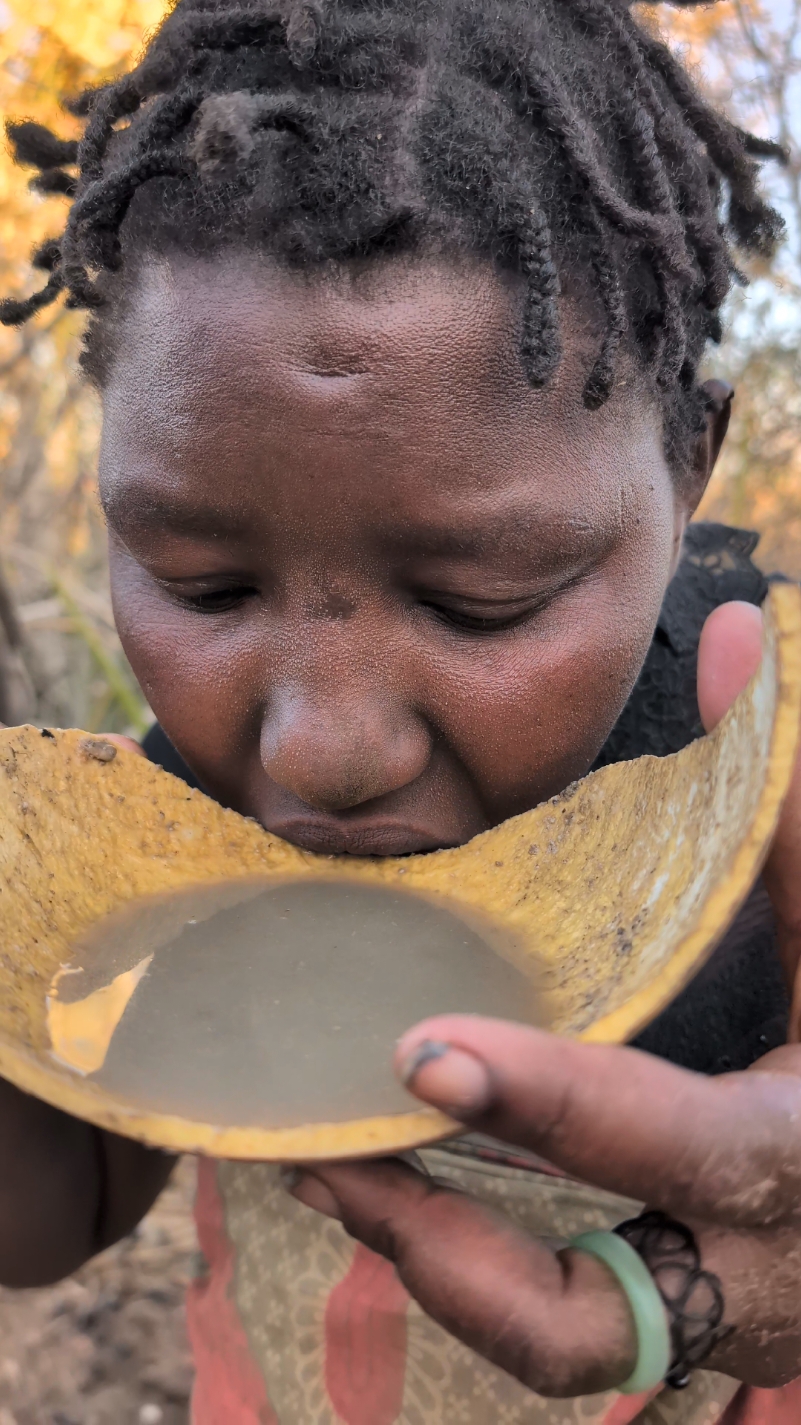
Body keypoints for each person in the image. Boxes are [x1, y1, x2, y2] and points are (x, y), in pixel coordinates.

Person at [1, 0, 800, 1419]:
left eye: (482, 600)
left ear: (690, 467)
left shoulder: (763, 827)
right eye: (202, 583)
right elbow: (58, 1209)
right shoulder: (155, 837)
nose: (321, 749)